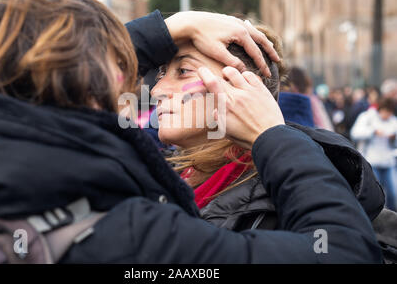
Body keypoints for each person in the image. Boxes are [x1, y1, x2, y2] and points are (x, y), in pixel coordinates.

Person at [0, 0, 383, 263]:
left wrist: (170, 28)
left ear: (241, 86)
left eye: (182, 71)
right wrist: (276, 135)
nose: (147, 88)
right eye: (113, 66)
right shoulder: (136, 221)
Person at [151, 26, 386, 232]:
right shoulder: (158, 177)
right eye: (162, 72)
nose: (156, 90)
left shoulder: (282, 203)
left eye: (183, 71)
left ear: (243, 86)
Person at [351, 98, 397, 211]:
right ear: (380, 109)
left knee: (393, 194)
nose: (387, 115)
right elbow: (355, 133)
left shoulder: (393, 121)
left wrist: (393, 138)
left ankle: (393, 219)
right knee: (375, 195)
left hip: (388, 162)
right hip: (371, 162)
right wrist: (373, 132)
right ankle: (377, 217)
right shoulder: (367, 117)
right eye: (386, 111)